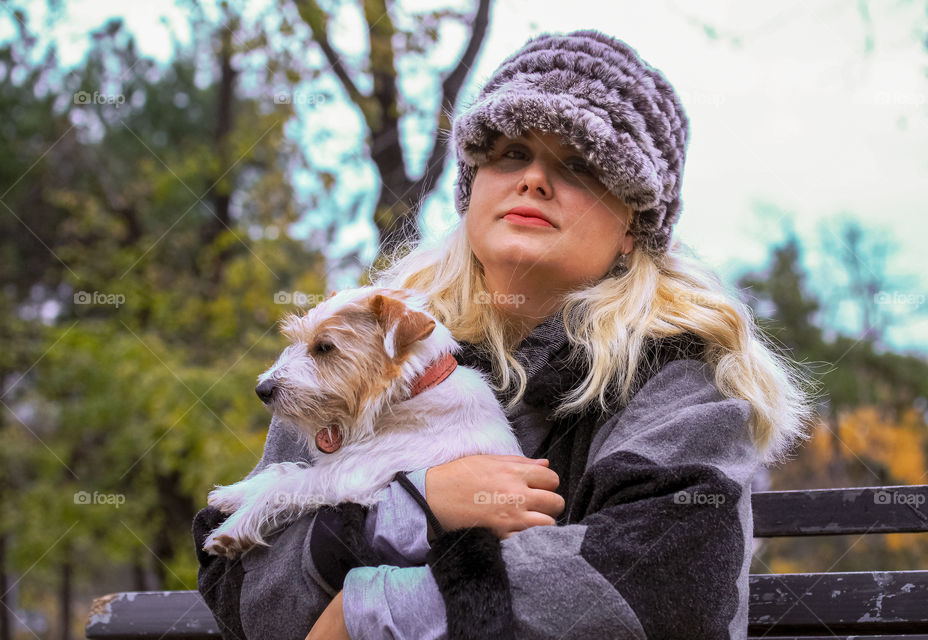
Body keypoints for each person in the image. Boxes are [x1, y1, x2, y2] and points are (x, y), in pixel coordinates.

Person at [193, 29, 812, 640]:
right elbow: (246, 589)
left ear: (633, 227)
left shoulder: (680, 379)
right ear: (470, 190)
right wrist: (416, 506)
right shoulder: (369, 354)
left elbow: (663, 584)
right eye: (511, 153)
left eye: (579, 165)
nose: (535, 179)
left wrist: (368, 613)